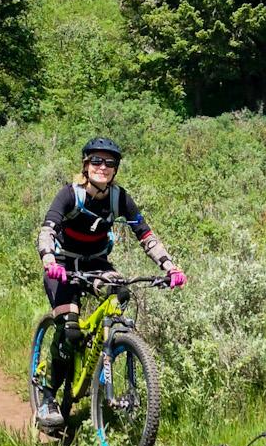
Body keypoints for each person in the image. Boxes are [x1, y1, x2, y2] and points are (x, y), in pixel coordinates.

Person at [34, 137, 185, 431]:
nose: (103, 167)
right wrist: (49, 260)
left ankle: (100, 354)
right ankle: (49, 397)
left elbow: (145, 234)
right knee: (69, 325)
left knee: (121, 294)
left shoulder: (119, 198)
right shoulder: (69, 194)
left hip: (97, 264)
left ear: (115, 169)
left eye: (110, 163)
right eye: (96, 161)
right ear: (86, 164)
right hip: (63, 265)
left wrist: (169, 266)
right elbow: (48, 228)